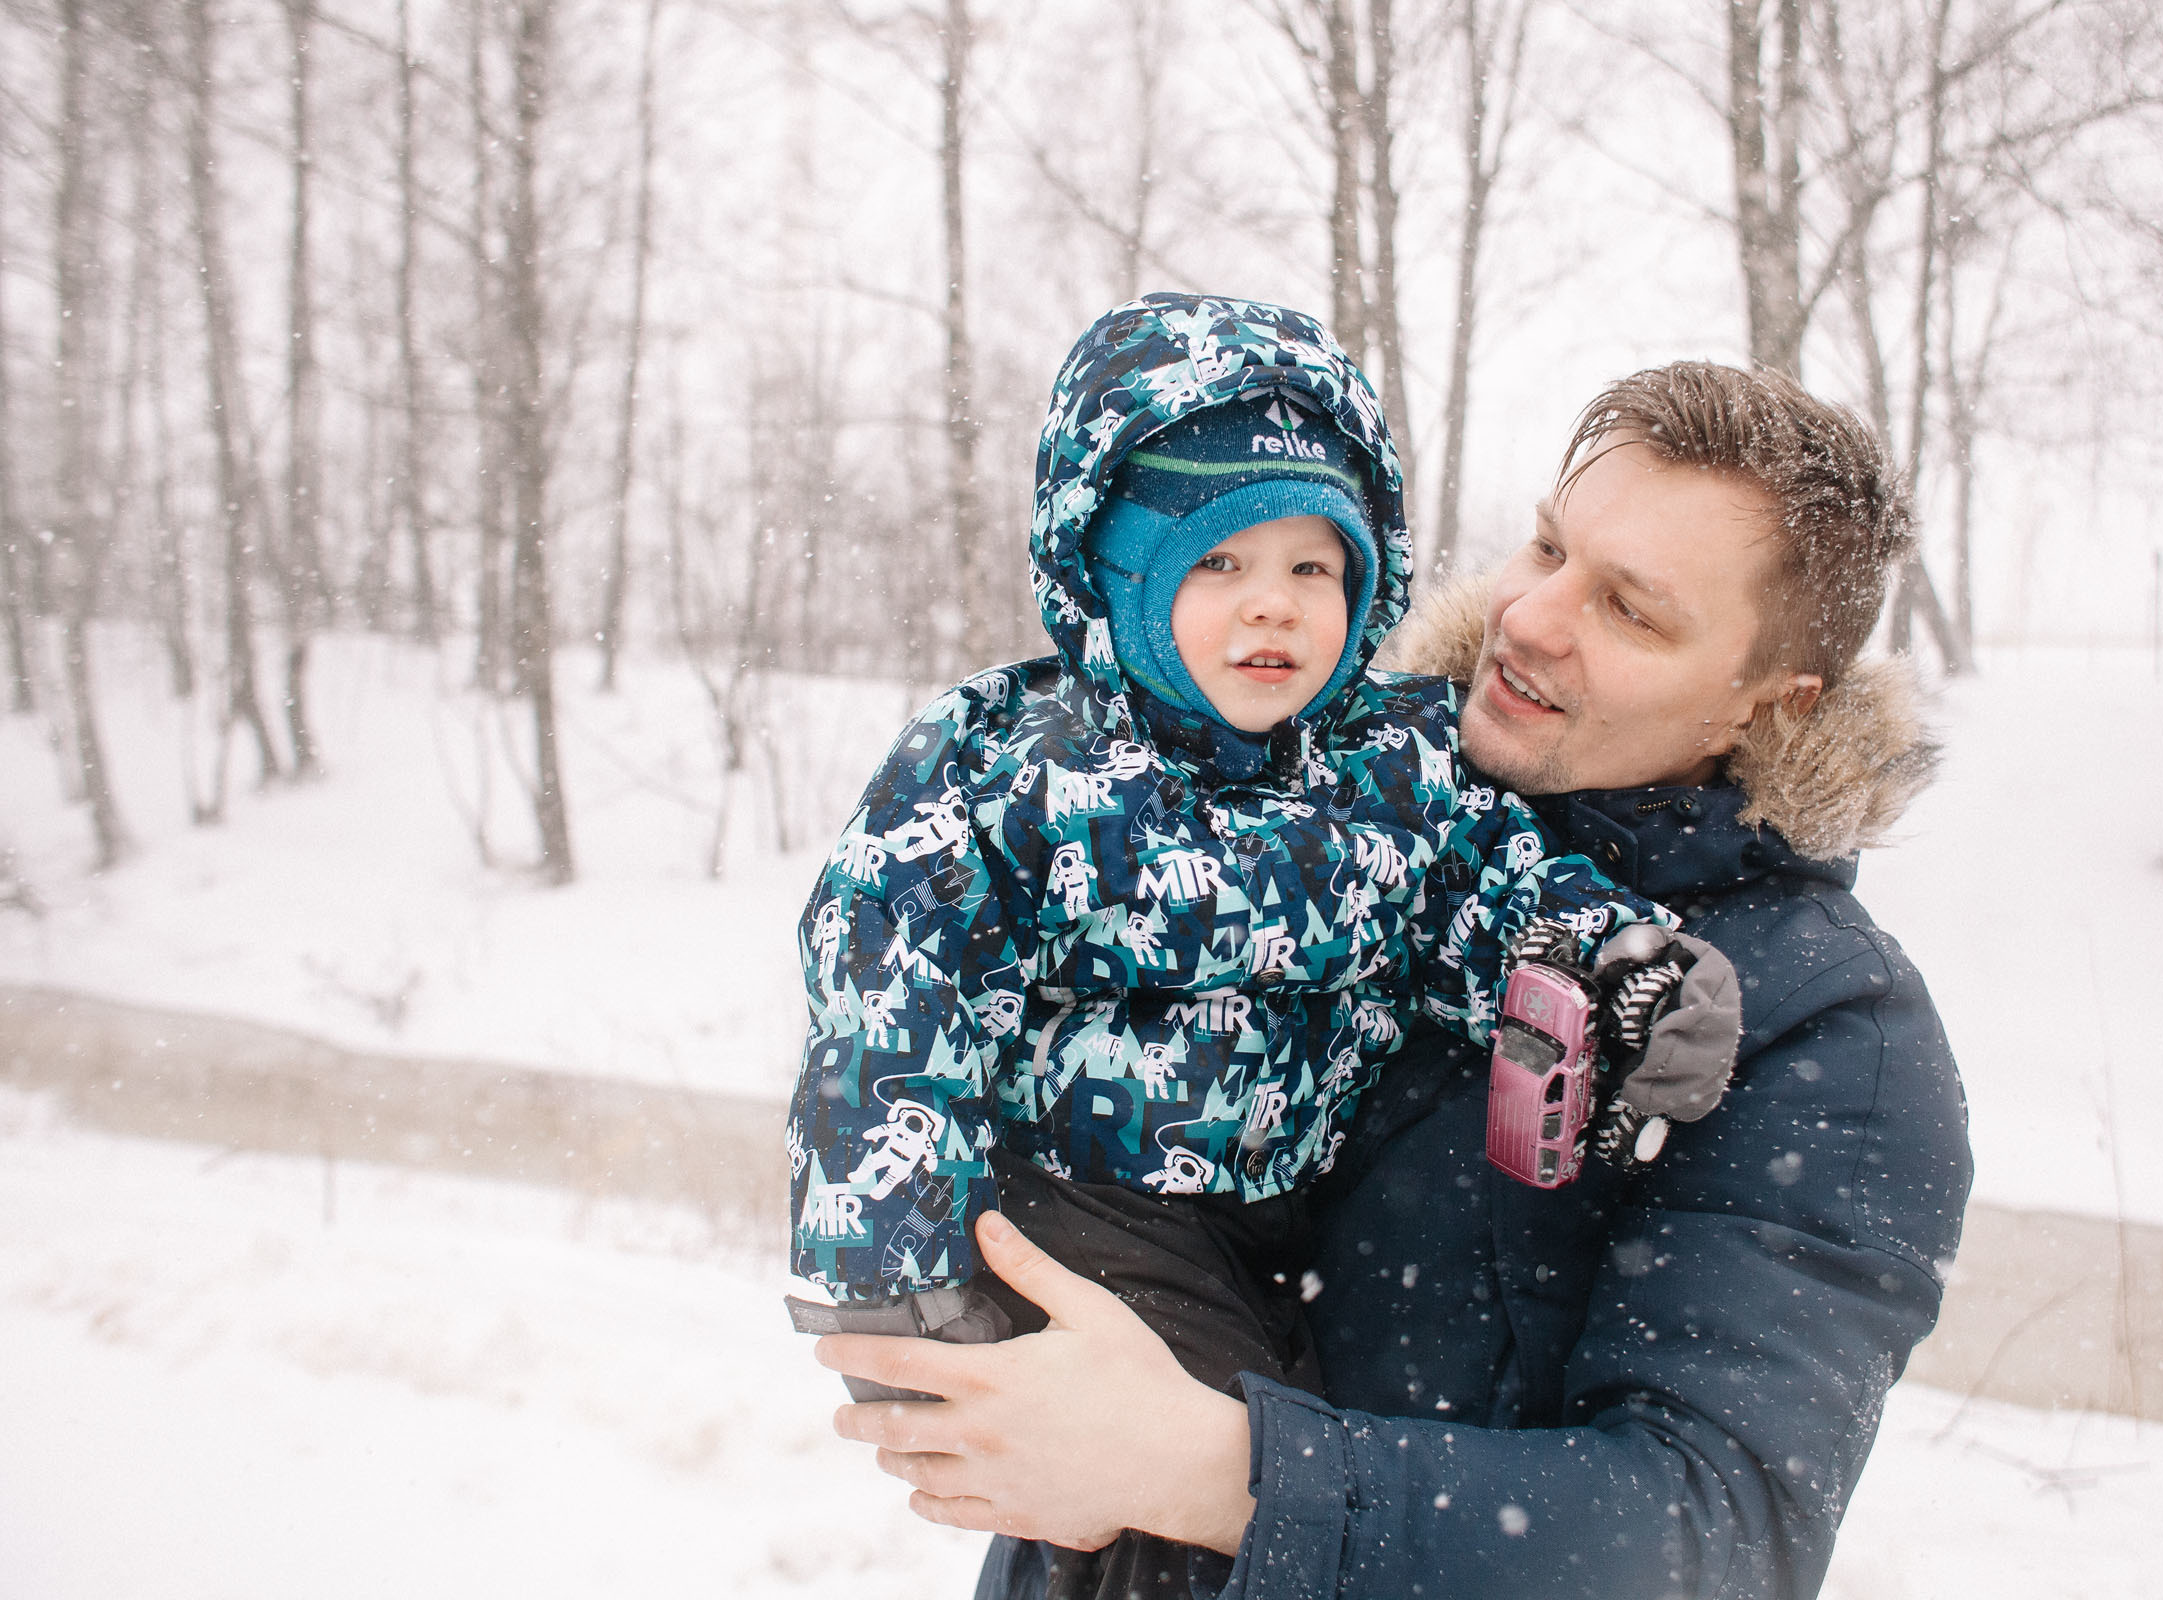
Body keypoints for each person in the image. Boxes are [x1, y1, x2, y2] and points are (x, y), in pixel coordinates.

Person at [816, 360, 1975, 1600]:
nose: (1531, 617)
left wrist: (1217, 1468)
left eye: (1630, 610)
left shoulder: (1832, 1037)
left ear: (1770, 702)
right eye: (1546, 546)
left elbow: (1710, 1537)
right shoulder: (1326, 780)